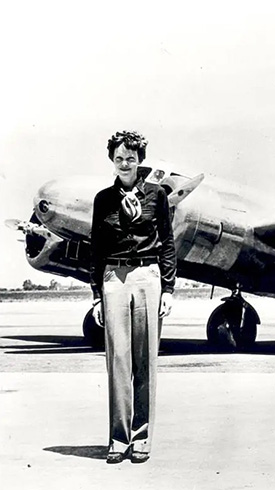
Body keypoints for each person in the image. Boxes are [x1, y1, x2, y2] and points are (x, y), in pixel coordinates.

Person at [89, 130, 177, 464]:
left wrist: (167, 289)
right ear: (112, 160)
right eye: (119, 158)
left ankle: (141, 439)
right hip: (114, 277)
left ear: (140, 160)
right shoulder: (103, 200)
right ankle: (118, 439)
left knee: (145, 362)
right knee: (118, 362)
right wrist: (97, 294)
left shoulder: (157, 196)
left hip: (147, 276)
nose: (125, 164)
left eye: (131, 158)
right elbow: (96, 249)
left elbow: (167, 242)